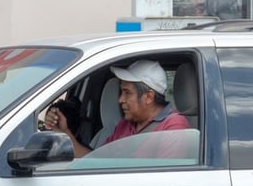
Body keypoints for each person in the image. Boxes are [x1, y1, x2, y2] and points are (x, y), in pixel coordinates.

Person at [45, 60, 188, 157]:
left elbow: (166, 181)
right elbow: (94, 162)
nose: (120, 100)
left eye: (127, 93)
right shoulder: (125, 125)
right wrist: (64, 132)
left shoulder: (174, 126)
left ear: (149, 97)